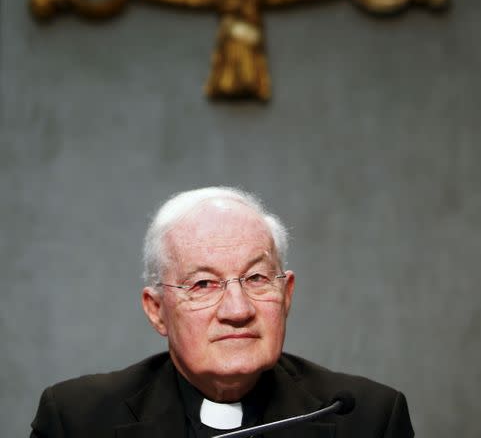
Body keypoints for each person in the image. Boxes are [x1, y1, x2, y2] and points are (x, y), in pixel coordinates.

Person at [31, 186, 414, 437]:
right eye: (203, 284)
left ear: (287, 294)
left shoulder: (369, 418)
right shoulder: (76, 420)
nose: (237, 309)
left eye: (257, 278)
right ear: (156, 310)